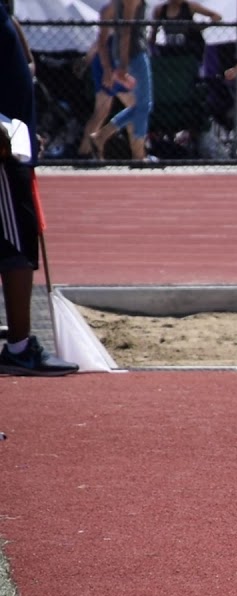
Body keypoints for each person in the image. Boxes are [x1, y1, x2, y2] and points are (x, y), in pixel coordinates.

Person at [1, 2, 78, 377]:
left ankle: (19, 344)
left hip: (14, 136)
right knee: (16, 244)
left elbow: (21, 62)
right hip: (4, 143)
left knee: (19, 239)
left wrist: (26, 133)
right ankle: (18, 346)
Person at [87, 0, 156, 163]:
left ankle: (102, 137)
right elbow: (126, 30)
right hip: (134, 54)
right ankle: (138, 155)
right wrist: (123, 64)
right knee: (144, 105)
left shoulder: (115, 4)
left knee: (140, 106)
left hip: (127, 54)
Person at [148, 0, 222, 59]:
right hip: (171, 51)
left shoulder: (190, 6)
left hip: (191, 51)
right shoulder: (160, 10)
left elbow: (216, 16)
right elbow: (153, 33)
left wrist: (201, 27)